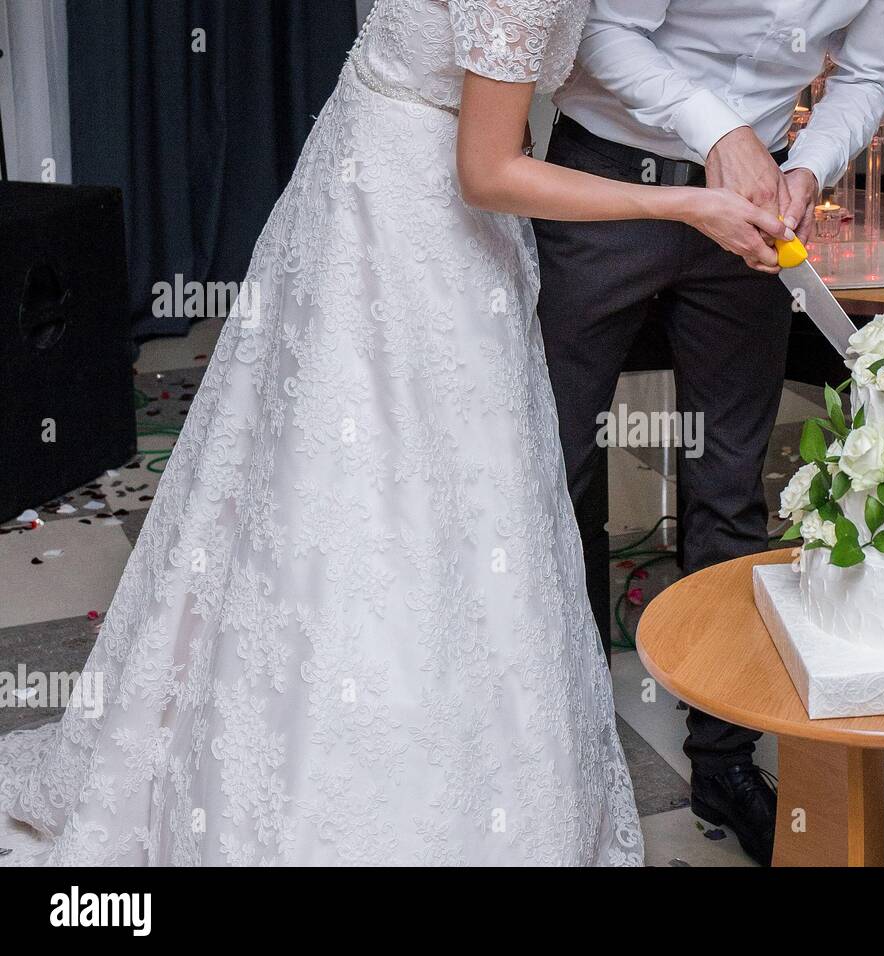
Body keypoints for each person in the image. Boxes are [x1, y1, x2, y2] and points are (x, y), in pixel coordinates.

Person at [0, 0, 791, 866]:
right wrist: (685, 206)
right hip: (418, 221)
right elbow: (487, 172)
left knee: (351, 493)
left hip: (378, 185)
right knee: (407, 505)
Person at [534, 0, 884, 865]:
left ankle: (725, 760)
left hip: (759, 208)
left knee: (731, 481)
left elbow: (867, 73)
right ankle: (561, 747)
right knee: (558, 469)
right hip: (609, 184)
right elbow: (597, 27)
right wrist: (717, 129)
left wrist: (806, 170)